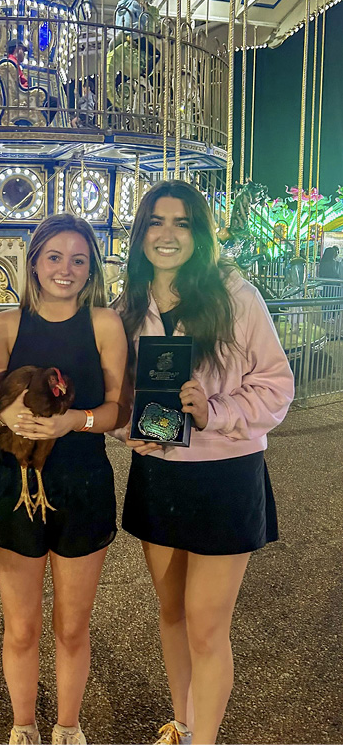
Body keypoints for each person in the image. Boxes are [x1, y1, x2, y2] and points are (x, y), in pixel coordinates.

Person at [114, 180, 294, 745]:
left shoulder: (234, 297)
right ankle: (184, 723)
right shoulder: (129, 306)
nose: (167, 235)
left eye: (182, 223)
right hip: (159, 474)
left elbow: (277, 386)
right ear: (141, 232)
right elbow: (121, 393)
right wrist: (128, 431)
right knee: (172, 615)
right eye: (157, 222)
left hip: (225, 476)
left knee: (207, 624)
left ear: (200, 233)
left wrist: (215, 411)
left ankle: (204, 739)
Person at [0, 213, 129, 745]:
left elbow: (116, 409)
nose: (65, 270)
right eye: (54, 257)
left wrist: (74, 420)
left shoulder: (104, 324)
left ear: (90, 269)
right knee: (21, 626)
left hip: (83, 481)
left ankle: (68, 726)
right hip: (14, 480)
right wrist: (5, 416)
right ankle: (24, 725)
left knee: (72, 625)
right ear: (34, 261)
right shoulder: (5, 325)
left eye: (78, 260)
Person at [6, 38, 59, 124]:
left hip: (21, 96)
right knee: (54, 102)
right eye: (23, 51)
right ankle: (44, 123)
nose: (23, 54)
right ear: (17, 49)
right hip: (24, 98)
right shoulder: (13, 64)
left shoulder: (11, 63)